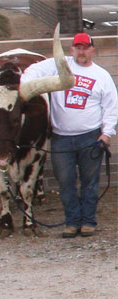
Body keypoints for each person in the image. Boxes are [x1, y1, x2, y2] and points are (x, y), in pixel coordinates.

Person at [21, 32, 118, 238]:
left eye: (85, 47)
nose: (81, 52)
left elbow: (111, 107)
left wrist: (106, 134)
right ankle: (72, 221)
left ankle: (88, 222)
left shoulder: (101, 76)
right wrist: (26, 85)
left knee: (89, 182)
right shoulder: (60, 65)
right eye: (77, 48)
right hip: (61, 138)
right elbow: (33, 70)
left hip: (90, 137)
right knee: (65, 182)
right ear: (72, 50)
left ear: (92, 50)